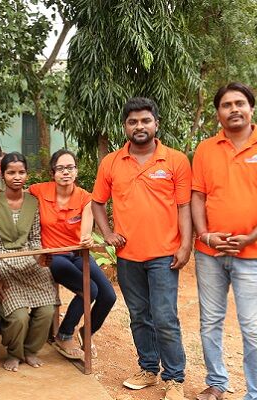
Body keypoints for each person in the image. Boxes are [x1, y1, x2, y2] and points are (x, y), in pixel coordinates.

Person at [191, 83, 257, 400]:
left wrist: (252, 235)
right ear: (218, 113)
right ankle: (217, 383)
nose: (233, 109)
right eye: (226, 104)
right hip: (209, 253)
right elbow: (197, 196)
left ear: (251, 108)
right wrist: (205, 234)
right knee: (210, 322)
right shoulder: (206, 149)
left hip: (252, 252)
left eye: (239, 103)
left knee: (254, 329)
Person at [91, 97, 192, 400]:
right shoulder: (111, 162)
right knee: (138, 314)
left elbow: (184, 206)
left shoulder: (175, 160)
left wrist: (186, 244)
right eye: (133, 122)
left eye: (145, 121)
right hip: (127, 255)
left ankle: (175, 378)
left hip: (164, 254)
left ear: (156, 124)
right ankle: (148, 367)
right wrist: (107, 232)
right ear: (125, 126)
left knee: (164, 316)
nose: (139, 126)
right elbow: (97, 202)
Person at [0, 149, 116, 362]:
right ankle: (64, 335)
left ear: (76, 171)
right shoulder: (40, 191)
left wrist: (86, 239)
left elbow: (85, 230)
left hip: (76, 253)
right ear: (53, 172)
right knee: (89, 290)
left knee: (109, 295)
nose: (66, 172)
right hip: (52, 256)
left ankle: (86, 332)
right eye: (61, 168)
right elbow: (15, 190)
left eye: (70, 168)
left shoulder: (85, 197)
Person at [0, 152, 58, 372]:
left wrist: (38, 258)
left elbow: (34, 238)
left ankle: (30, 351)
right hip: (2, 264)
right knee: (19, 316)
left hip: (29, 263)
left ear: (27, 174)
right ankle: (14, 352)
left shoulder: (33, 202)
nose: (16, 177)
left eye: (21, 172)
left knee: (47, 310)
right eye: (11, 172)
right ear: (2, 175)